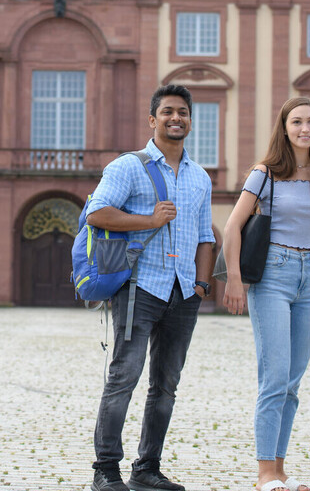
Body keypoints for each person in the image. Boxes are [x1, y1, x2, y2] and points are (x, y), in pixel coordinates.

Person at [88, 84, 216, 491]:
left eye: (182, 112)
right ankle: (105, 471)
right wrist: (149, 220)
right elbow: (97, 213)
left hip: (183, 293)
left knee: (166, 385)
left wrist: (201, 284)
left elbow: (205, 237)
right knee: (124, 377)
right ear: (152, 119)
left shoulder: (199, 177)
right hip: (140, 287)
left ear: (190, 121)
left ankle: (147, 469)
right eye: (167, 112)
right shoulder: (128, 167)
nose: (175, 118)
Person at [221, 96, 310, 491]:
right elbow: (232, 227)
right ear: (284, 128)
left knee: (292, 381)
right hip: (273, 273)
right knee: (274, 376)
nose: (305, 129)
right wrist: (234, 279)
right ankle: (264, 473)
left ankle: (280, 468)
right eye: (296, 123)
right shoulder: (264, 173)